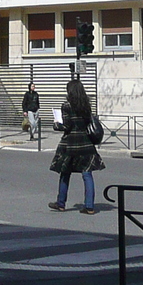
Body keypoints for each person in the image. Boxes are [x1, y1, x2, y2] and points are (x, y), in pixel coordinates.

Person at [49, 78, 104, 215]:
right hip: (86, 143)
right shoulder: (86, 105)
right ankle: (89, 206)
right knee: (87, 174)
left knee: (65, 173)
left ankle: (61, 203)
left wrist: (56, 124)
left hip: (70, 143)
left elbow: (66, 126)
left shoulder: (66, 106)